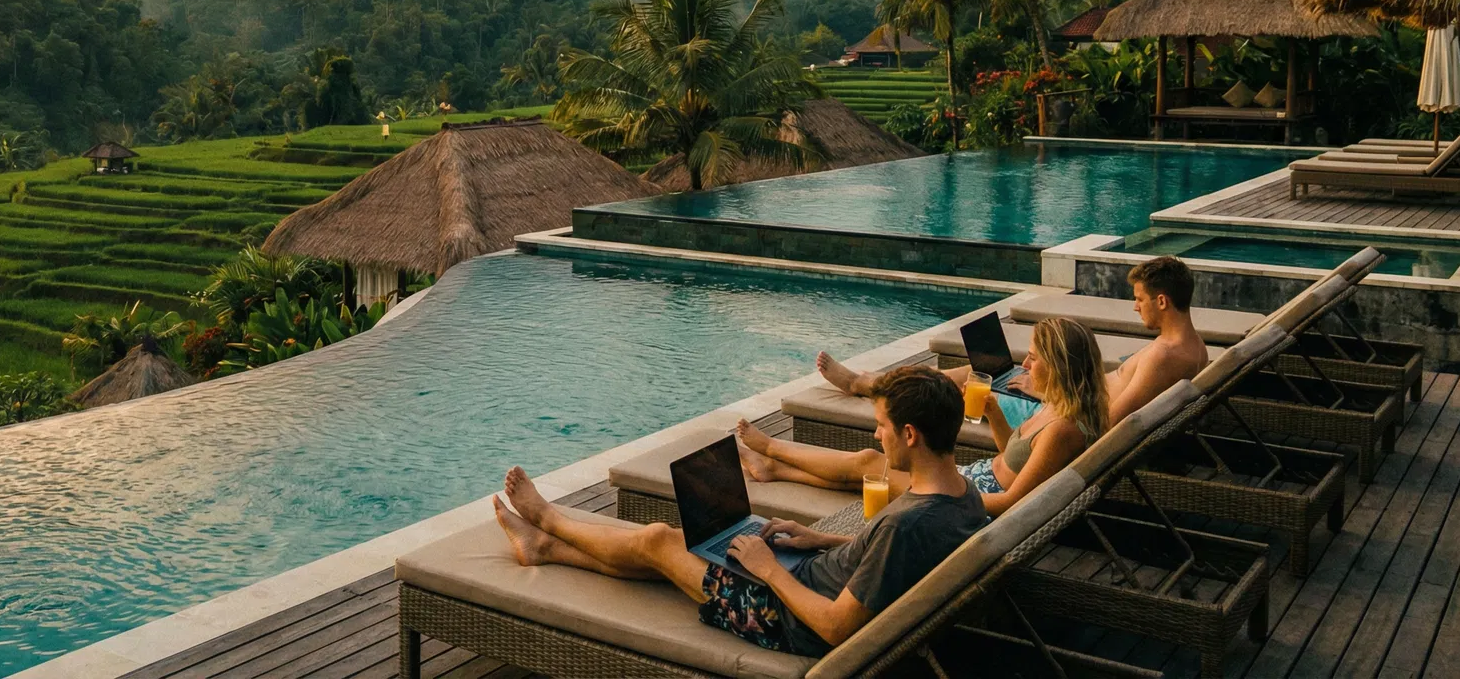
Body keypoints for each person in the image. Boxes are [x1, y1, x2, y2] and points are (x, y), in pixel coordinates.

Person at [493, 366, 988, 657]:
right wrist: (821, 539)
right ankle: (546, 548)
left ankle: (549, 521)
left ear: (909, 434)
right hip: (808, 573)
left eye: (881, 426)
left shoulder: (907, 523)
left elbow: (837, 627)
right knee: (685, 554)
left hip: (783, 617)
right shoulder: (960, 495)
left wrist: (769, 570)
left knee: (659, 541)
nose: (874, 435)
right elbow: (881, 557)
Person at [735, 317, 1106, 516]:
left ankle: (772, 448)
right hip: (975, 481)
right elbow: (1016, 456)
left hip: (972, 499)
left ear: (1059, 366)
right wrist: (993, 413)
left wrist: (949, 492)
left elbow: (1014, 504)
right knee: (872, 474)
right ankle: (774, 469)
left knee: (870, 462)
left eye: (1034, 359)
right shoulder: (1061, 408)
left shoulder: (1063, 429)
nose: (1024, 365)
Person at [817, 255, 1208, 427]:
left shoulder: (1164, 355)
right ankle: (876, 382)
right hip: (1070, 397)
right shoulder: (1193, 348)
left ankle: (869, 385)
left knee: (969, 381)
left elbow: (1107, 421)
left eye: (1139, 299)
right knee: (987, 369)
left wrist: (1045, 394)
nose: (1135, 307)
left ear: (1162, 300)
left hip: (1060, 416)